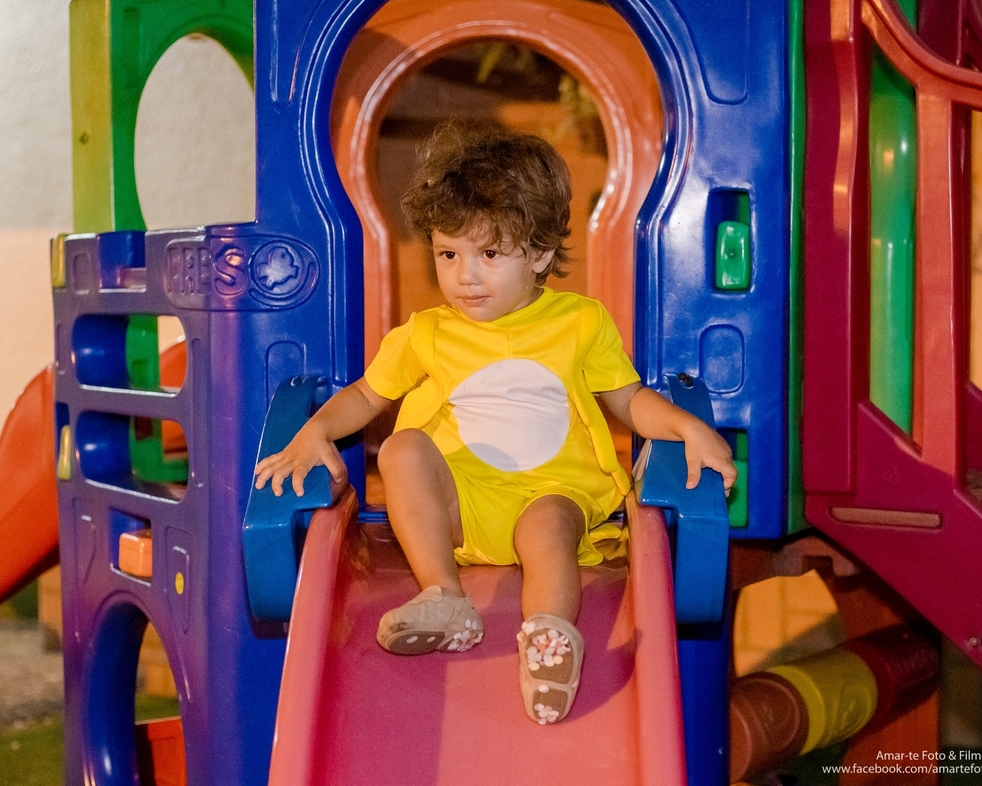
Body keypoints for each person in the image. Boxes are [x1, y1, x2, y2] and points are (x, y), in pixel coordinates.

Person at [254, 124, 737, 725]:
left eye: (488, 255)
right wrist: (317, 431)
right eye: (448, 254)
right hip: (462, 503)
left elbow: (629, 399)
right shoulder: (427, 333)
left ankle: (550, 641)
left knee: (549, 527)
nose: (466, 276)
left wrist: (686, 427)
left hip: (550, 493)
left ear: (539, 254)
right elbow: (364, 395)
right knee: (402, 449)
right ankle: (444, 596)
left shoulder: (579, 322)